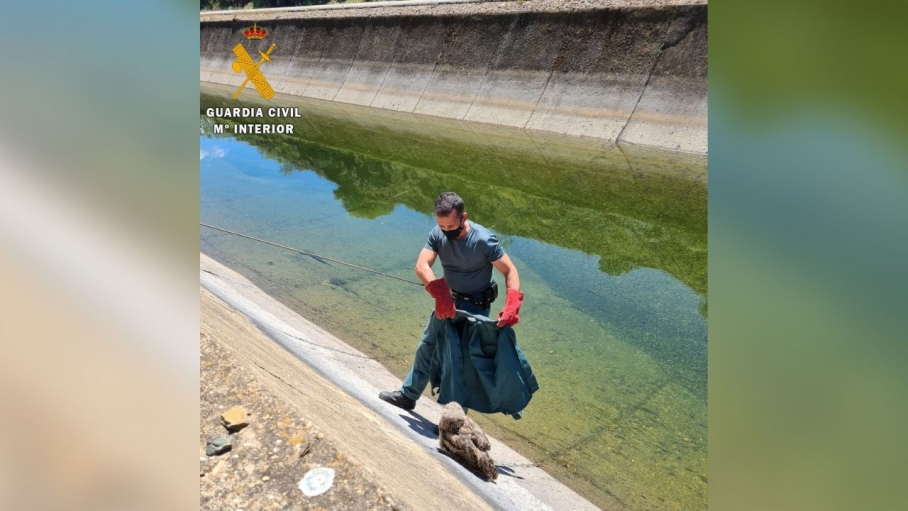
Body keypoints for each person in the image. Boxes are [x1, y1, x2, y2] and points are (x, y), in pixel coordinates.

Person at [379, 192, 524, 411]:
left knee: (463, 362)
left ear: (463, 217)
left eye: (451, 226)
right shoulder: (437, 234)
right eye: (442, 226)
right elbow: (421, 266)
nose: (446, 231)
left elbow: (509, 270)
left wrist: (511, 303)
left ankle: (454, 420)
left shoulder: (484, 240)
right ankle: (408, 395)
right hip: (448, 302)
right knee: (427, 347)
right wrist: (440, 294)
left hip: (475, 307)